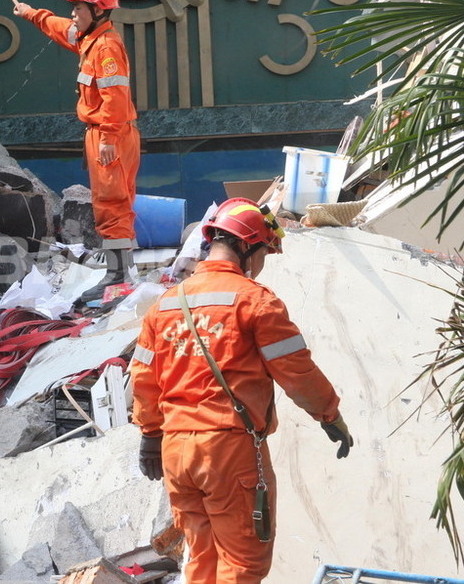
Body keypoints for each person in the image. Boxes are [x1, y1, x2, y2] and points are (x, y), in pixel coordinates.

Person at [130, 197, 353, 583]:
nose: (264, 261)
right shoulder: (255, 301)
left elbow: (143, 378)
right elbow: (297, 372)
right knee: (243, 563)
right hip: (227, 453)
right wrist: (330, 415)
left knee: (201, 556)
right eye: (265, 250)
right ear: (248, 246)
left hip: (176, 454)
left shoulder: (164, 304)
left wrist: (150, 436)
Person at [11, 0, 140, 297]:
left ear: (97, 10)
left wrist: (109, 138)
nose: (72, 14)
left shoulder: (106, 47)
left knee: (113, 203)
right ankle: (119, 270)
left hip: (111, 134)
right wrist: (30, 13)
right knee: (108, 202)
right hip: (105, 133)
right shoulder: (89, 39)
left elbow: (116, 98)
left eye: (78, 8)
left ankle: (118, 276)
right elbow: (59, 28)